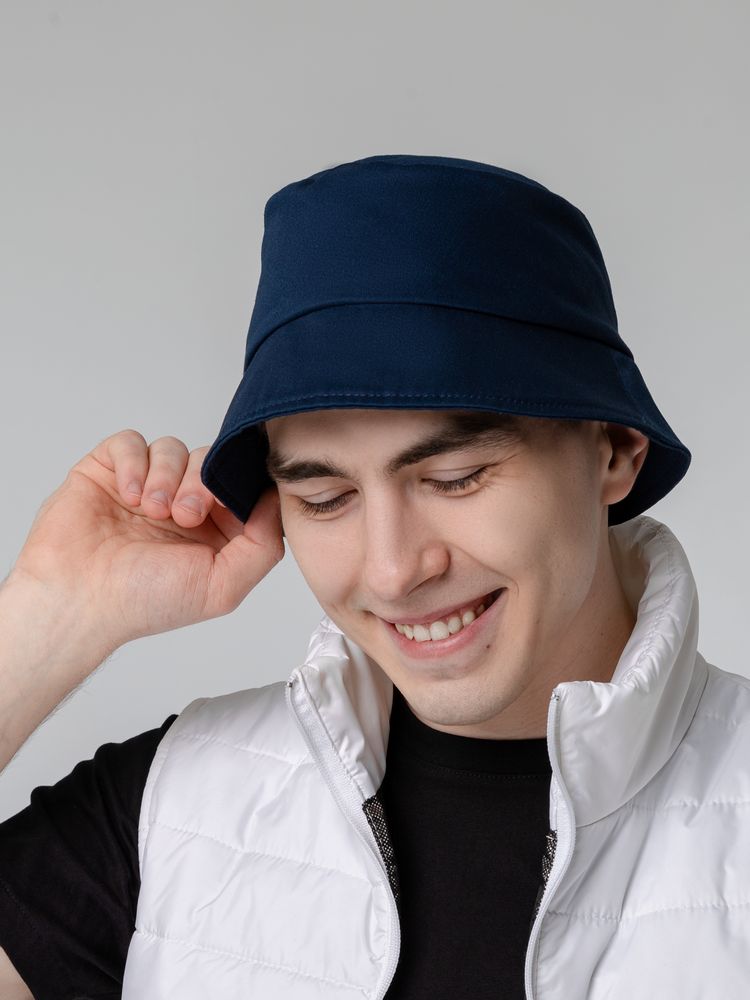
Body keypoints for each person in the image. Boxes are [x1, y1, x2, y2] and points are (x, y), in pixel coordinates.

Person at [0, 155, 747, 1000]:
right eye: (324, 498)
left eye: (455, 478)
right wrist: (48, 616)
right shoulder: (170, 811)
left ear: (614, 451)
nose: (393, 571)